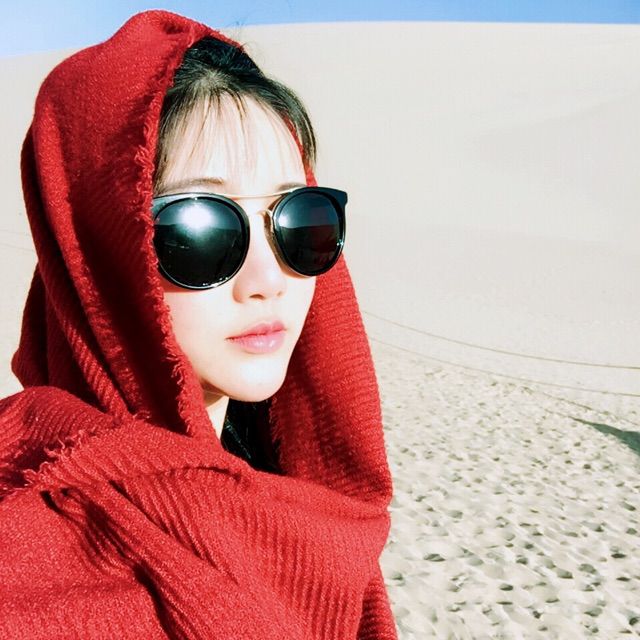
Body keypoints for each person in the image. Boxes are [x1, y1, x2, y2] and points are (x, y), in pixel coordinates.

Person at [0, 9, 397, 639]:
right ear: (101, 255)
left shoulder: (314, 517)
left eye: (301, 219)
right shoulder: (28, 566)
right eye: (199, 228)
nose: (268, 279)